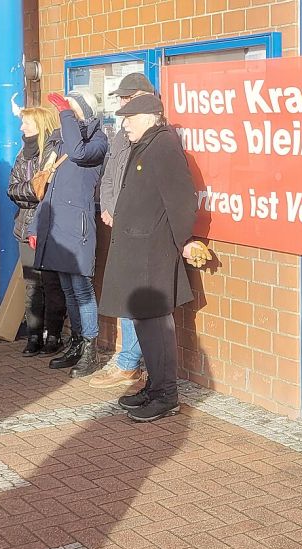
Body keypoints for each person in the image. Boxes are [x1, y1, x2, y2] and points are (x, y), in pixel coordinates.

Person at [100, 94, 198, 422]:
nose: (124, 123)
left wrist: (182, 241)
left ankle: (166, 395)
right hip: (137, 252)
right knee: (144, 324)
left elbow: (181, 199)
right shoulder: (146, 143)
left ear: (150, 116)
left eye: (130, 117)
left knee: (157, 327)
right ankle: (155, 387)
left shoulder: (163, 145)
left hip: (152, 254)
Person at [28, 90, 108, 377]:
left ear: (84, 110)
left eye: (71, 109)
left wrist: (65, 113)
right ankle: (75, 342)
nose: (66, 115)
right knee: (68, 289)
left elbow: (79, 153)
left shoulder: (97, 141)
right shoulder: (60, 140)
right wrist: (35, 225)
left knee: (82, 290)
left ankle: (90, 348)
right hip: (55, 223)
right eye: (65, 111)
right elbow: (47, 189)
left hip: (78, 225)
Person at [89, 72, 156, 389]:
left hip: (138, 230)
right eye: (120, 98)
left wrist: (122, 212)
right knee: (125, 294)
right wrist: (106, 207)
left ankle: (130, 363)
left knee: (135, 297)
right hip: (117, 224)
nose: (122, 104)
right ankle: (128, 361)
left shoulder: (150, 137)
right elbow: (110, 176)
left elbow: (141, 186)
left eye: (127, 99)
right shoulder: (120, 135)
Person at [8, 106, 68, 356]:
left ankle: (53, 335)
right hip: (24, 227)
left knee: (52, 284)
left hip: (51, 228)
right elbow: (12, 188)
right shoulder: (23, 153)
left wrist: (33, 191)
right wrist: (33, 191)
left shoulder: (55, 152)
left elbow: (54, 193)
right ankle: (34, 336)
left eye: (27, 124)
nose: (22, 128)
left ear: (41, 125)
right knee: (32, 284)